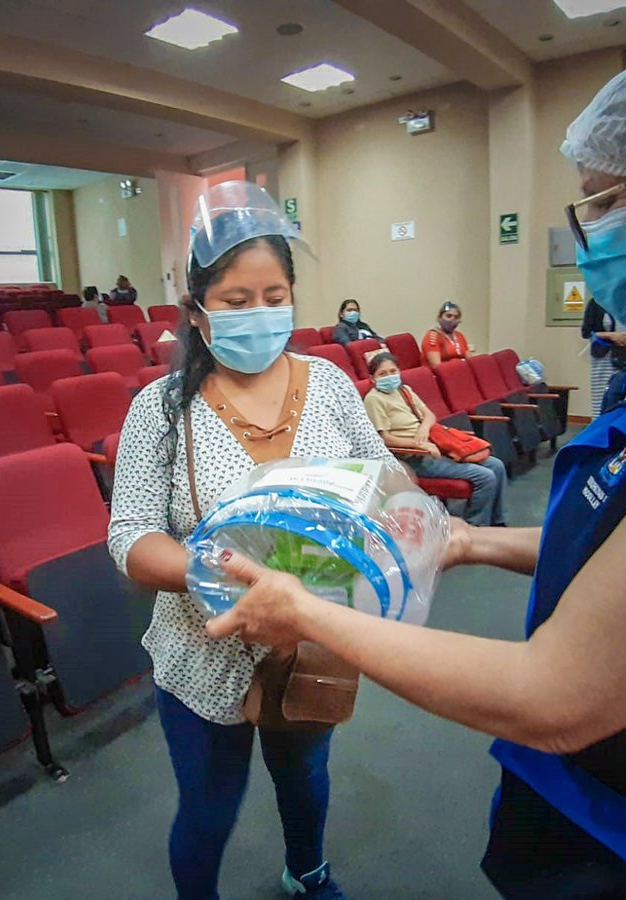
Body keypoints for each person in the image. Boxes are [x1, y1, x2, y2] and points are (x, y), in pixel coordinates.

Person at [204, 37, 626, 899]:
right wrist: (471, 544)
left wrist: (307, 613)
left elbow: (553, 695)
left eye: (606, 203)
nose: (588, 234)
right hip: (622, 788)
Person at [108, 181, 393, 900]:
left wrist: (394, 528)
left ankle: (308, 870)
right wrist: (226, 574)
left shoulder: (327, 382)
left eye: (274, 296)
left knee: (306, 777)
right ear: (199, 312)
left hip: (313, 640)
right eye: (236, 301)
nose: (259, 314)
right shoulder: (161, 408)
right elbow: (132, 535)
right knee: (208, 807)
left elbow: (386, 479)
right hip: (202, 652)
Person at [363, 352, 506, 526]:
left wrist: (423, 429)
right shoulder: (373, 399)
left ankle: (498, 522)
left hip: (435, 444)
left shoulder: (404, 390)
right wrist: (419, 444)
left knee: (496, 466)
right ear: (372, 378)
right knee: (485, 477)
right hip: (414, 457)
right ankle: (475, 526)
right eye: (382, 374)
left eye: (393, 371)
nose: (389, 376)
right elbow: (384, 439)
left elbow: (429, 415)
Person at [581, 298, 626, 417]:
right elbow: (587, 332)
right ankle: (600, 423)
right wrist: (611, 336)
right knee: (602, 395)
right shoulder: (596, 302)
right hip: (604, 358)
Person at [421, 301, 470, 367]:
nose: (452, 319)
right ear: (439, 318)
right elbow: (437, 367)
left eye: (456, 317)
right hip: (440, 375)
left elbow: (471, 361)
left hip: (460, 371)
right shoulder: (432, 336)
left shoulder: (459, 335)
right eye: (448, 316)